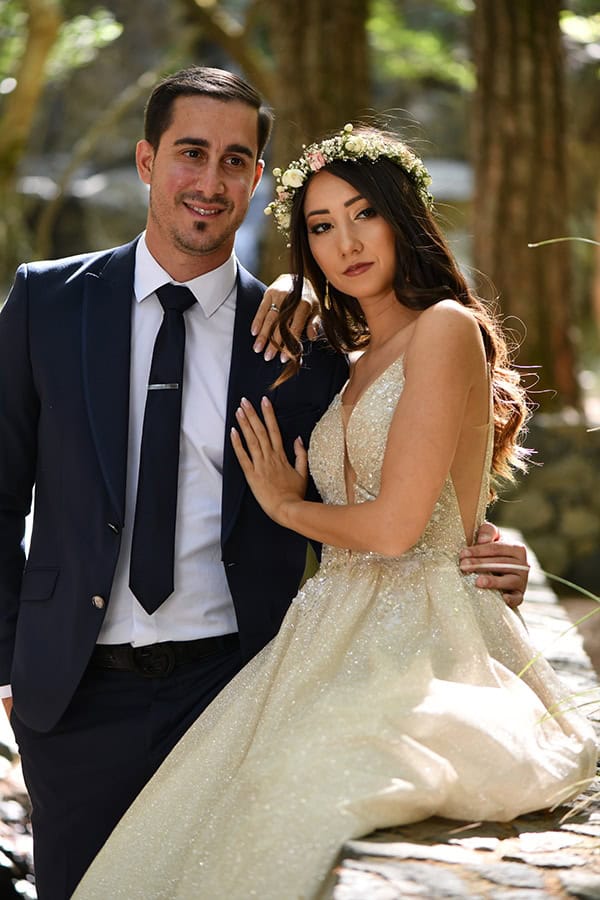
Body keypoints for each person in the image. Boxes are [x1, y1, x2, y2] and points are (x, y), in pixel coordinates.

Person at [0, 66, 528, 899]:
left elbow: (394, 476)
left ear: (255, 179)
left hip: (239, 686)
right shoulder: (47, 303)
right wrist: (12, 662)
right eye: (191, 153)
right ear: (147, 160)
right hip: (74, 696)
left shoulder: (307, 346)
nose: (210, 182)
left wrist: (483, 543)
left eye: (235, 160)